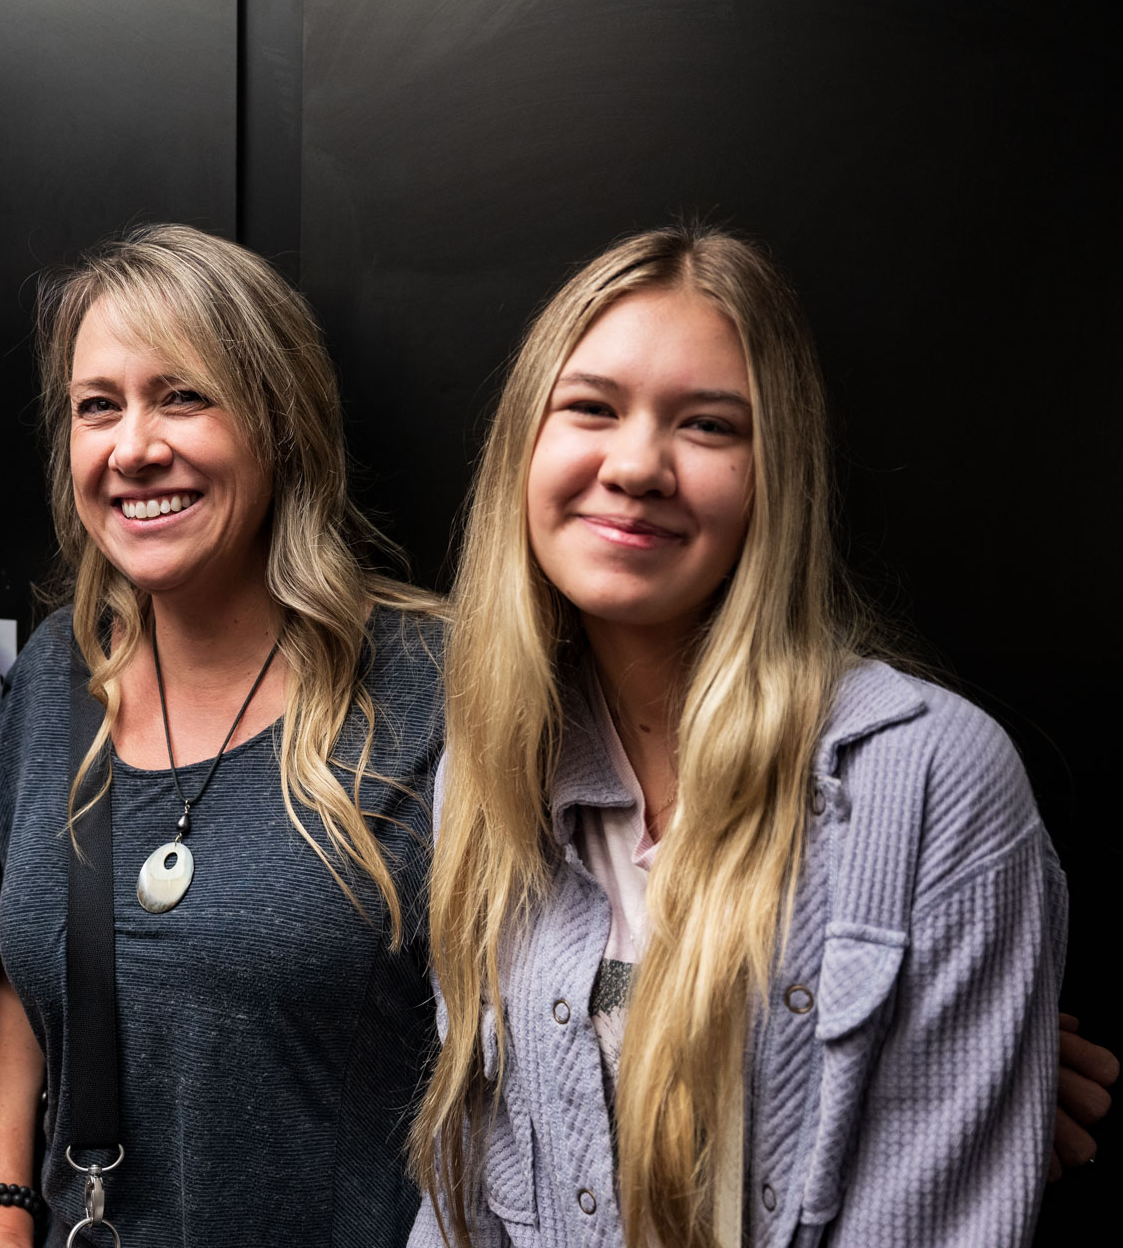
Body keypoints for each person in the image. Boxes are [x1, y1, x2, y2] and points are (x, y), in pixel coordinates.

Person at [408, 226, 1071, 1247]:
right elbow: (465, 1212)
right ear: (520, 450)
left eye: (707, 426)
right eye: (588, 407)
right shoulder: (487, 776)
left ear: (776, 476)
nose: (634, 465)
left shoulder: (932, 778)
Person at [0, 225, 445, 1247]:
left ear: (278, 420)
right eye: (99, 407)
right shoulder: (58, 673)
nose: (133, 447)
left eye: (183, 395)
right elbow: (22, 966)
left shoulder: (431, 684)